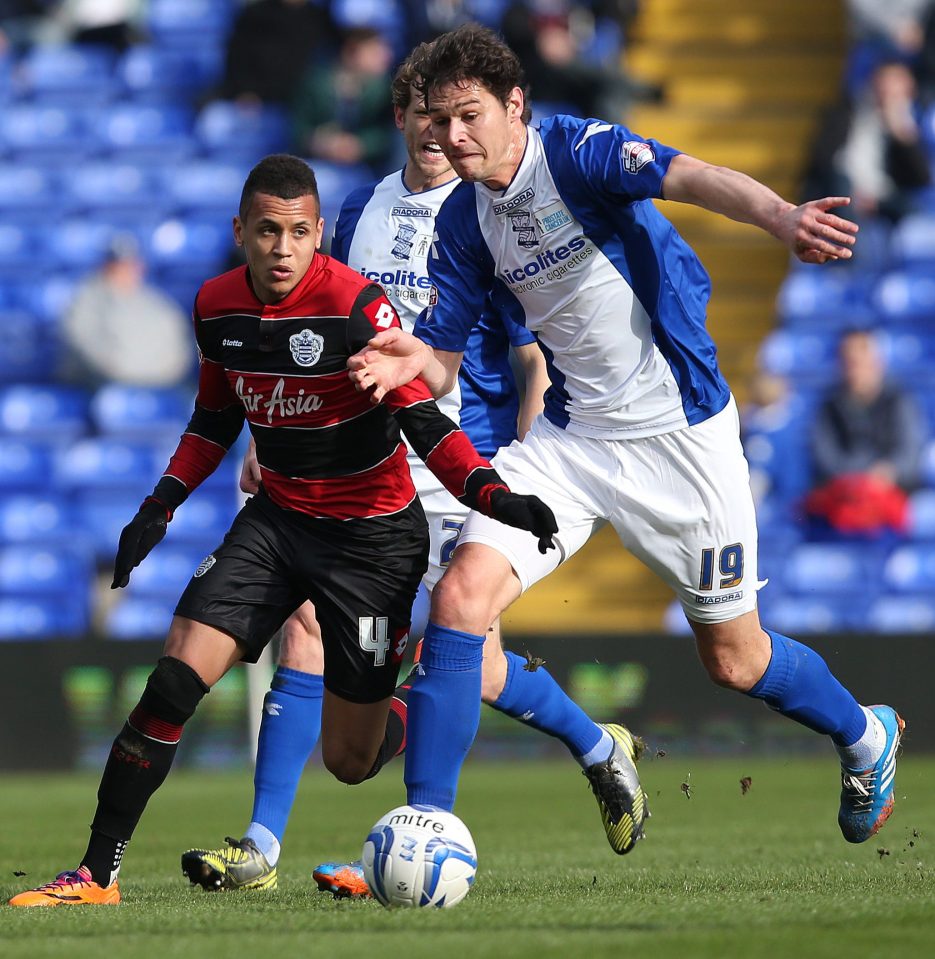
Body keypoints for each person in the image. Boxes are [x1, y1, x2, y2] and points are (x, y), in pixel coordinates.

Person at [348, 24, 906, 848]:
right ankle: (427, 817)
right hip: (572, 443)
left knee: (734, 660)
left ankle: (865, 735)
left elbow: (692, 175)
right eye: (437, 119)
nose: (453, 136)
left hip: (679, 436)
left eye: (469, 115)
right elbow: (440, 362)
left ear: (515, 106)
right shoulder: (464, 223)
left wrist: (782, 217)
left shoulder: (577, 153)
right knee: (460, 598)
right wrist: (408, 359)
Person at [8, 153, 557, 907]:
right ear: (241, 231)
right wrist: (159, 505)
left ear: (320, 233)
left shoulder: (357, 309)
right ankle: (96, 873)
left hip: (371, 539)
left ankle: (425, 694)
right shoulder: (216, 307)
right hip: (278, 522)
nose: (282, 247)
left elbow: (422, 420)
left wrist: (494, 496)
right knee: (174, 675)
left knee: (350, 759)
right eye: (267, 230)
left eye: (299, 231)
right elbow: (212, 418)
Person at [179, 53, 649, 900]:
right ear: (400, 118)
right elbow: (319, 330)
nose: (438, 134)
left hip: (458, 458)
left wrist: (531, 440)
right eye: (423, 117)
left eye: (451, 119)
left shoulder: (494, 209)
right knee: (306, 630)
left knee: (465, 658)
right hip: (363, 466)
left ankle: (538, 772)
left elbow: (530, 338)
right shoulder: (360, 208)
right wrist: (274, 430)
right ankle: (259, 845)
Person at [805, 328, 926, 537]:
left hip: (896, 491)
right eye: (848, 362)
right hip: (846, 493)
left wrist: (888, 472)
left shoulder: (899, 399)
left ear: (877, 362)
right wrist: (861, 478)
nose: (854, 369)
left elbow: (911, 452)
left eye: (860, 361)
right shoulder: (829, 404)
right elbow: (824, 457)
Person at [60, 233, 193, 389]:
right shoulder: (84, 299)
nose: (124, 270)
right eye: (117, 265)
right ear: (105, 267)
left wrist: (160, 375)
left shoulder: (156, 302)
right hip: (99, 385)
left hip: (158, 383)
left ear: (140, 267)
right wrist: (128, 373)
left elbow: (179, 351)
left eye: (129, 264)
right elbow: (86, 347)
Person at [292, 26, 396, 174]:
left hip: (369, 169)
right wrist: (321, 143)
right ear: (351, 51)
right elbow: (298, 128)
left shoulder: (385, 90)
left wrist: (360, 145)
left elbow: (389, 132)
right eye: (374, 52)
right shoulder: (315, 83)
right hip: (318, 165)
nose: (386, 57)